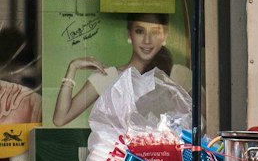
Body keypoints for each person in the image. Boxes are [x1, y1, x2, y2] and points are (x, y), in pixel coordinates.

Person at [52, 12, 185, 126]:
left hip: (162, 155)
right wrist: (72, 67)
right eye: (140, 31)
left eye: (155, 32)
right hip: (115, 155)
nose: (147, 40)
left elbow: (199, 125)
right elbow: (60, 119)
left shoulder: (178, 75)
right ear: (129, 35)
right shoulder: (108, 76)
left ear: (165, 36)